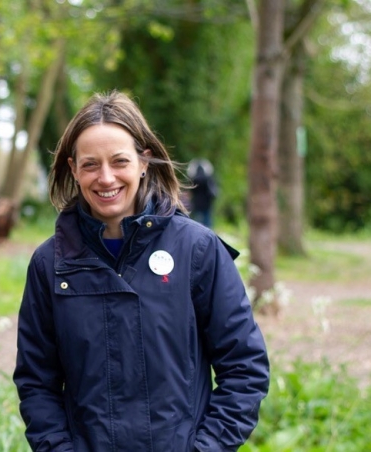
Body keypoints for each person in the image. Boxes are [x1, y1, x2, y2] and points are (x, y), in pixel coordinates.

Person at [13, 90, 269, 452]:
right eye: (90, 164)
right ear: (73, 169)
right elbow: (37, 382)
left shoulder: (198, 250)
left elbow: (245, 368)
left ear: (144, 161)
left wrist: (207, 448)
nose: (105, 178)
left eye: (119, 161)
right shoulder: (49, 264)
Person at [187, 158, 218, 228]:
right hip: (207, 205)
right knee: (208, 225)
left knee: (196, 225)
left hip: (197, 205)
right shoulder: (208, 179)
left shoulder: (194, 179)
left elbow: (191, 192)